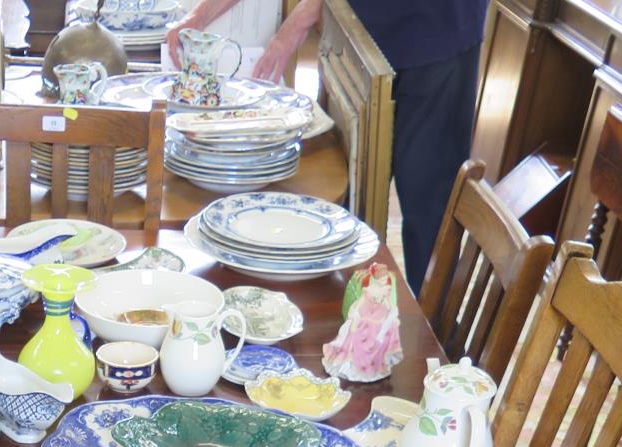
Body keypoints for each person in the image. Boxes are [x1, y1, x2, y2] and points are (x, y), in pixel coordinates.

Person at [171, 0, 489, 293]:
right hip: (358, 30)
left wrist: (296, 24)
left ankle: (434, 344)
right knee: (351, 192)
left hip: (437, 28)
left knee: (428, 209)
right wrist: (199, 16)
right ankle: (354, 325)